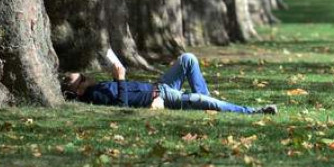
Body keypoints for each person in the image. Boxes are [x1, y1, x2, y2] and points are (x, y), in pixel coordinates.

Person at [60, 52, 277, 115]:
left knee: (188, 59)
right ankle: (253, 111)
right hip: (161, 97)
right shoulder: (93, 97)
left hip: (161, 85)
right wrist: (121, 79)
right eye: (83, 79)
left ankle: (205, 102)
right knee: (204, 101)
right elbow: (121, 107)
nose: (88, 77)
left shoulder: (96, 87)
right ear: (78, 90)